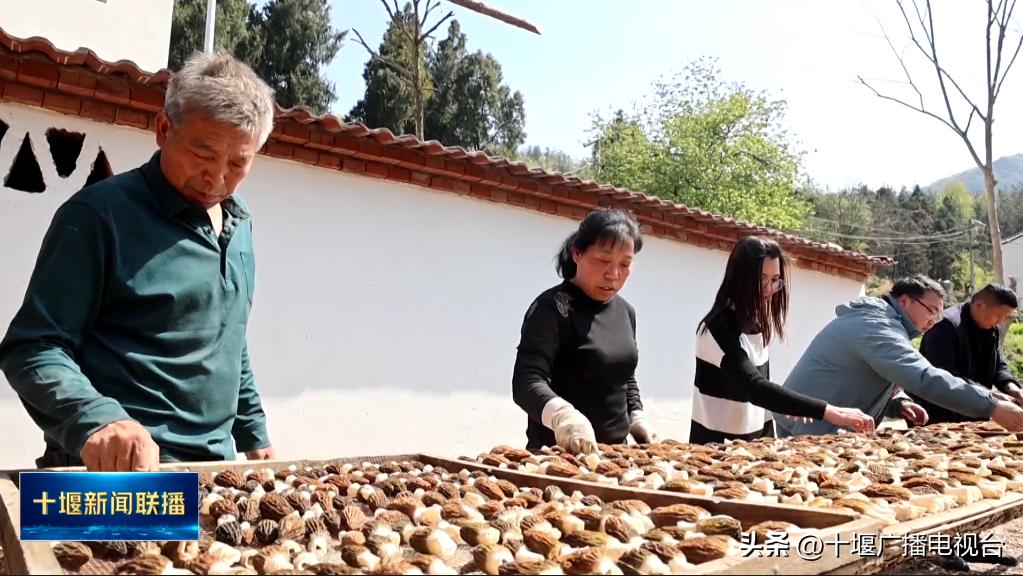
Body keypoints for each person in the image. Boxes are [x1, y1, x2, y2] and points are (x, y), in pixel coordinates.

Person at [0, 52, 278, 471]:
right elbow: (33, 347)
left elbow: (228, 341)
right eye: (203, 154)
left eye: (239, 162)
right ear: (164, 129)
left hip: (212, 474)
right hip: (117, 478)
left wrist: (255, 435)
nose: (218, 178)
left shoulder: (238, 227)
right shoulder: (98, 216)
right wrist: (97, 419)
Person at [776, 275, 1023, 437]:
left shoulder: (888, 324)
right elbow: (922, 376)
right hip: (806, 425)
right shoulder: (875, 324)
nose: (934, 320)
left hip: (826, 426)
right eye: (931, 311)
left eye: (939, 314)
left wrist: (899, 402)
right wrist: (991, 405)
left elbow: (879, 375)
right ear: (905, 301)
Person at [690, 236, 876, 444]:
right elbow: (754, 387)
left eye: (775, 280)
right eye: (762, 280)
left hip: (751, 447)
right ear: (740, 278)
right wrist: (829, 411)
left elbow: (761, 403)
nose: (769, 289)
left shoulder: (756, 325)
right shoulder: (718, 329)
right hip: (715, 450)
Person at [512, 208, 656, 454]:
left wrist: (637, 416)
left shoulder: (626, 312)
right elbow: (526, 380)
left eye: (625, 264)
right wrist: (563, 417)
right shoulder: (551, 308)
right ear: (577, 253)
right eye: (603, 261)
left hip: (616, 457)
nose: (613, 274)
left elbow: (624, 376)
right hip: (558, 455)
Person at [911, 284, 1022, 424]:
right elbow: (943, 374)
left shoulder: (992, 328)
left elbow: (998, 365)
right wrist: (991, 395)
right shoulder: (946, 324)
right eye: (999, 316)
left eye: (1005, 317)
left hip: (976, 412)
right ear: (979, 304)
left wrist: (1011, 386)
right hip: (939, 413)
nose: (1000, 322)